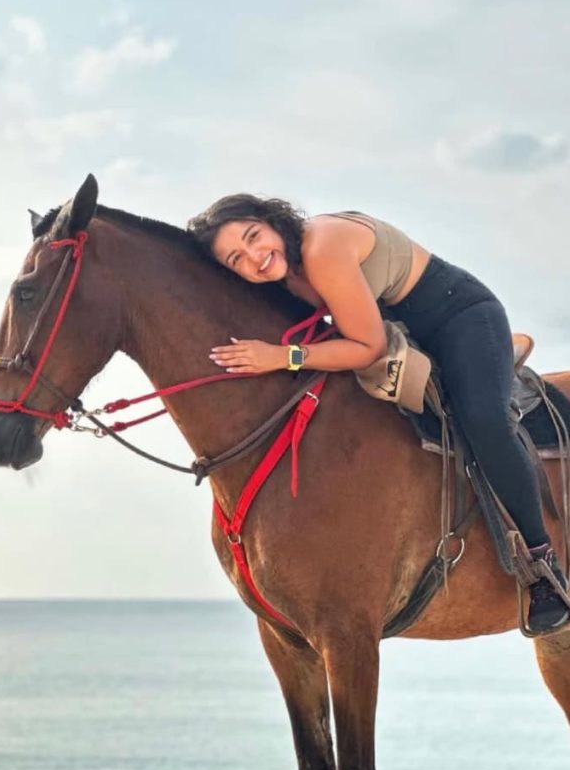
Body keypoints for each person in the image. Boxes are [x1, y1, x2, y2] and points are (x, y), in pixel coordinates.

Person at [187, 194, 569, 635]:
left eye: (253, 237)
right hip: (398, 330)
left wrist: (282, 356)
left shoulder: (321, 247)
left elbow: (368, 348)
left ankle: (544, 567)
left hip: (460, 318)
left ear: (272, 221)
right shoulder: (278, 275)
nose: (254, 256)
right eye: (236, 258)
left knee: (485, 423)